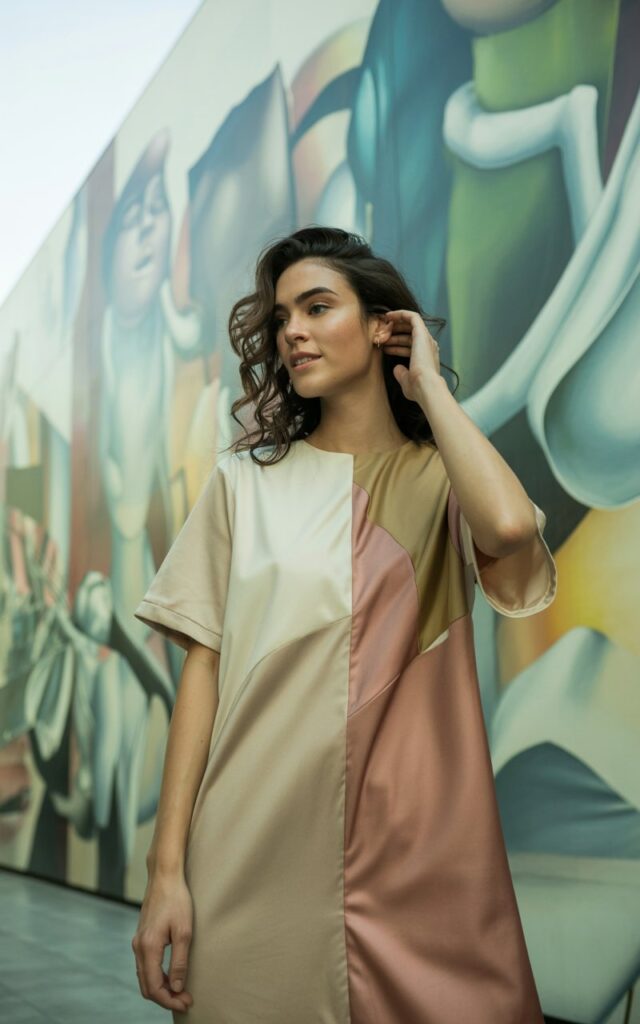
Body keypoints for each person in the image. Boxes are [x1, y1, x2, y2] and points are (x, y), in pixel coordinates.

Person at [131, 225, 557, 1022]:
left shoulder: (443, 478)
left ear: (381, 324)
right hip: (250, 851)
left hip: (424, 855)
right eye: (282, 317)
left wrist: (428, 385)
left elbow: (506, 532)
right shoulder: (241, 485)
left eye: (318, 306)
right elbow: (203, 674)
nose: (291, 330)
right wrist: (166, 874)